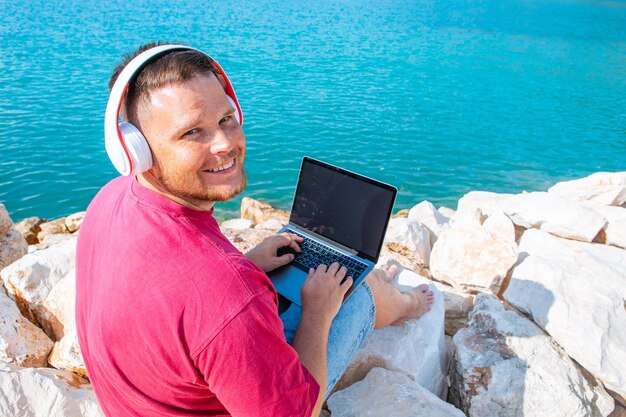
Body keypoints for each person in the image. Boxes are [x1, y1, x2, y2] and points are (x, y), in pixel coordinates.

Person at [76, 43, 434, 417]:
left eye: (227, 119)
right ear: (137, 150)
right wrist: (317, 312)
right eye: (193, 132)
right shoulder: (225, 297)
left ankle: (369, 283)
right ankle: (408, 303)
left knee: (331, 276)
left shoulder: (110, 200)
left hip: (144, 399)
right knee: (358, 291)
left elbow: (177, 299)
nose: (225, 143)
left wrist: (248, 266)